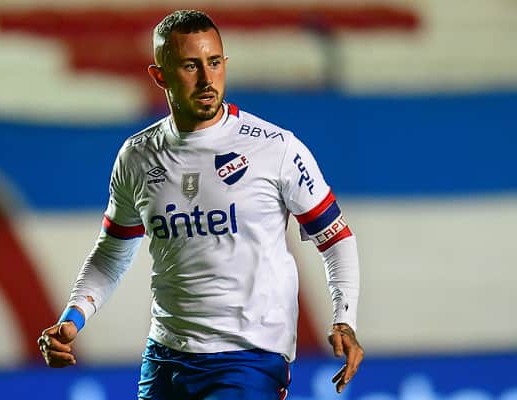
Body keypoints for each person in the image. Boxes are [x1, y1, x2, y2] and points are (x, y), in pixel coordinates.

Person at [38, 9, 364, 399]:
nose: (208, 79)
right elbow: (112, 251)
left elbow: (336, 238)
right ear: (160, 76)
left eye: (214, 63)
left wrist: (344, 319)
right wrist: (73, 317)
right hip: (165, 358)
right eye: (191, 66)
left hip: (249, 358)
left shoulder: (275, 148)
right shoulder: (137, 157)